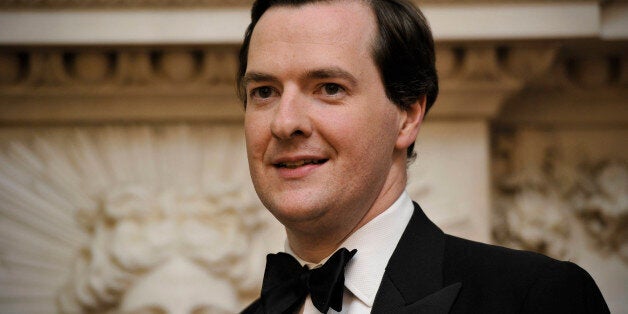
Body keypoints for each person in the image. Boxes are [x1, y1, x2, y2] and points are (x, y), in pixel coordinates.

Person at [237, 0, 609, 313]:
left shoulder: (537, 298)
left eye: (329, 88)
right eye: (264, 91)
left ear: (408, 115)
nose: (285, 123)